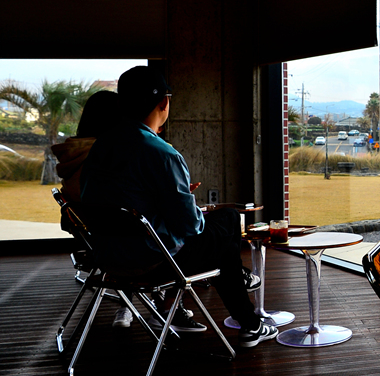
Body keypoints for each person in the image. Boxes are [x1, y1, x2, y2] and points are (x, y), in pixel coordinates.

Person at [80, 66, 277, 348]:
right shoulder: (162, 154)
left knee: (224, 247)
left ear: (121, 104)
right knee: (230, 221)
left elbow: (118, 202)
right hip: (155, 264)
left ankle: (249, 319)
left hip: (108, 261)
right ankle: (247, 313)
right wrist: (192, 208)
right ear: (164, 102)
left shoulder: (100, 148)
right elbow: (190, 226)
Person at [53, 90, 140, 329]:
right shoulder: (107, 157)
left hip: (92, 239)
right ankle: (166, 308)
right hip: (119, 245)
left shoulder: (75, 152)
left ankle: (134, 304)